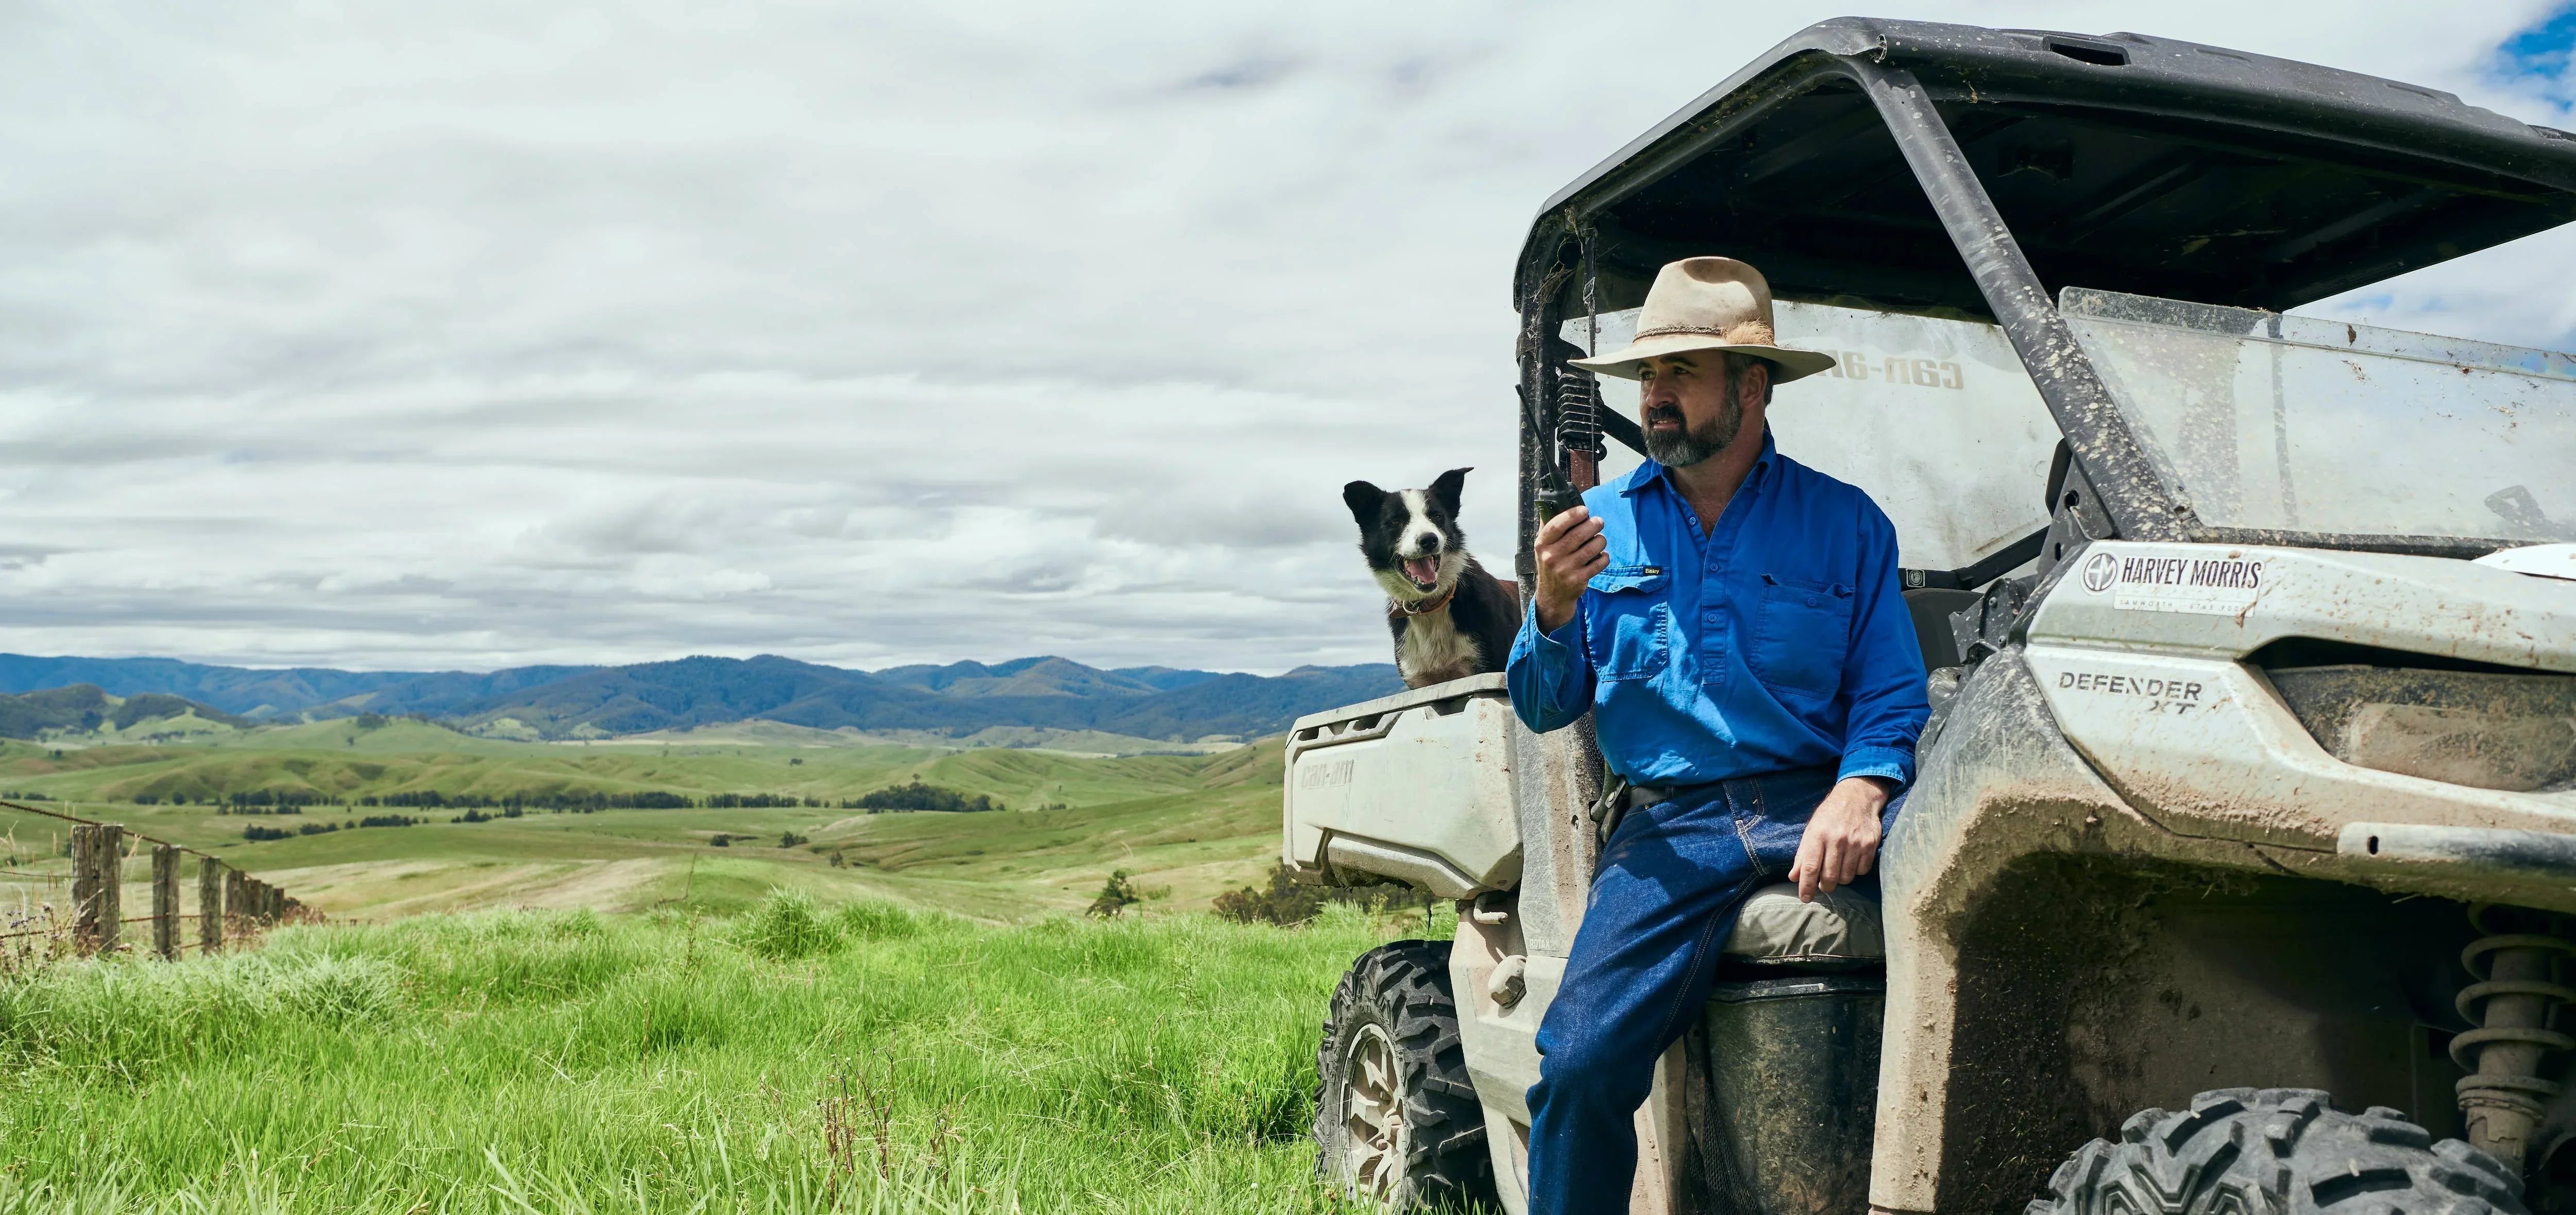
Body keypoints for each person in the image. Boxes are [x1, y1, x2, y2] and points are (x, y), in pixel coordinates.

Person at [1505, 255, 1930, 1212]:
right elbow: (1541, 705)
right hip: (1670, 834)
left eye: (1678, 375)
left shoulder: (1848, 524)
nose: (1653, 397)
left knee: (1989, 910)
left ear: (1751, 387)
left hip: (1812, 800)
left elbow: (1893, 694)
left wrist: (1863, 790)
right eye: (1647, 377)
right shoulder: (1594, 527)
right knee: (1575, 1064)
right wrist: (1554, 608)